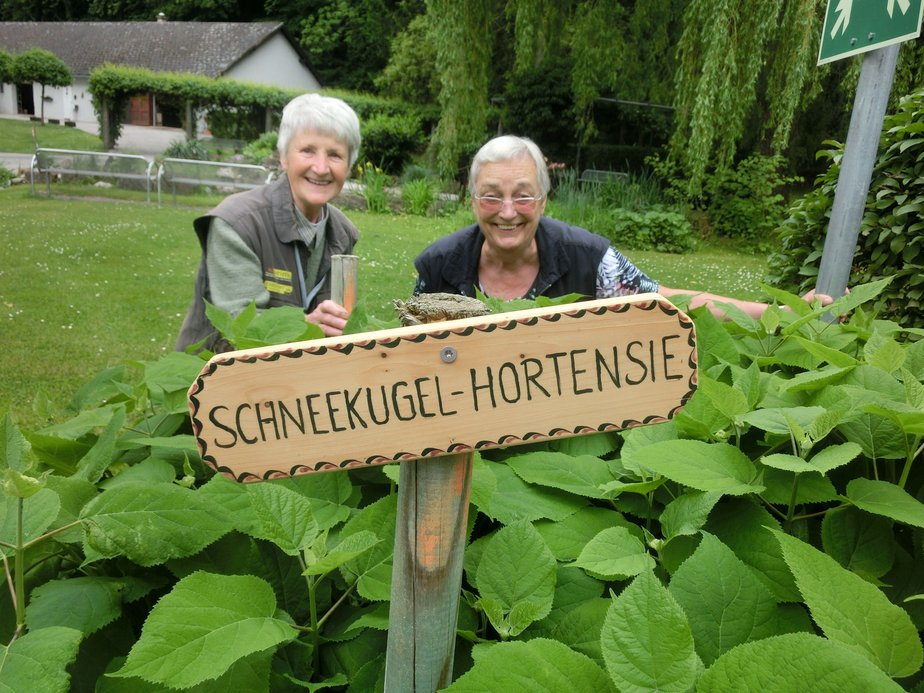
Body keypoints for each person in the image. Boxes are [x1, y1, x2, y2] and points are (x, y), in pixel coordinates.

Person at [413, 134, 831, 316]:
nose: (507, 211)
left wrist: (784, 310)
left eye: (523, 195)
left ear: (543, 201)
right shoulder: (438, 268)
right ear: (472, 202)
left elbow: (668, 302)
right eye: (491, 195)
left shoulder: (589, 260)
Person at [176, 93, 362, 353]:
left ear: (349, 167)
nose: (321, 168)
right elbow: (239, 331)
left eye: (335, 155)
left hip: (297, 381)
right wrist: (307, 327)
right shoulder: (237, 223)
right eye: (308, 151)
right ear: (284, 158)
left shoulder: (342, 232)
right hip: (218, 378)